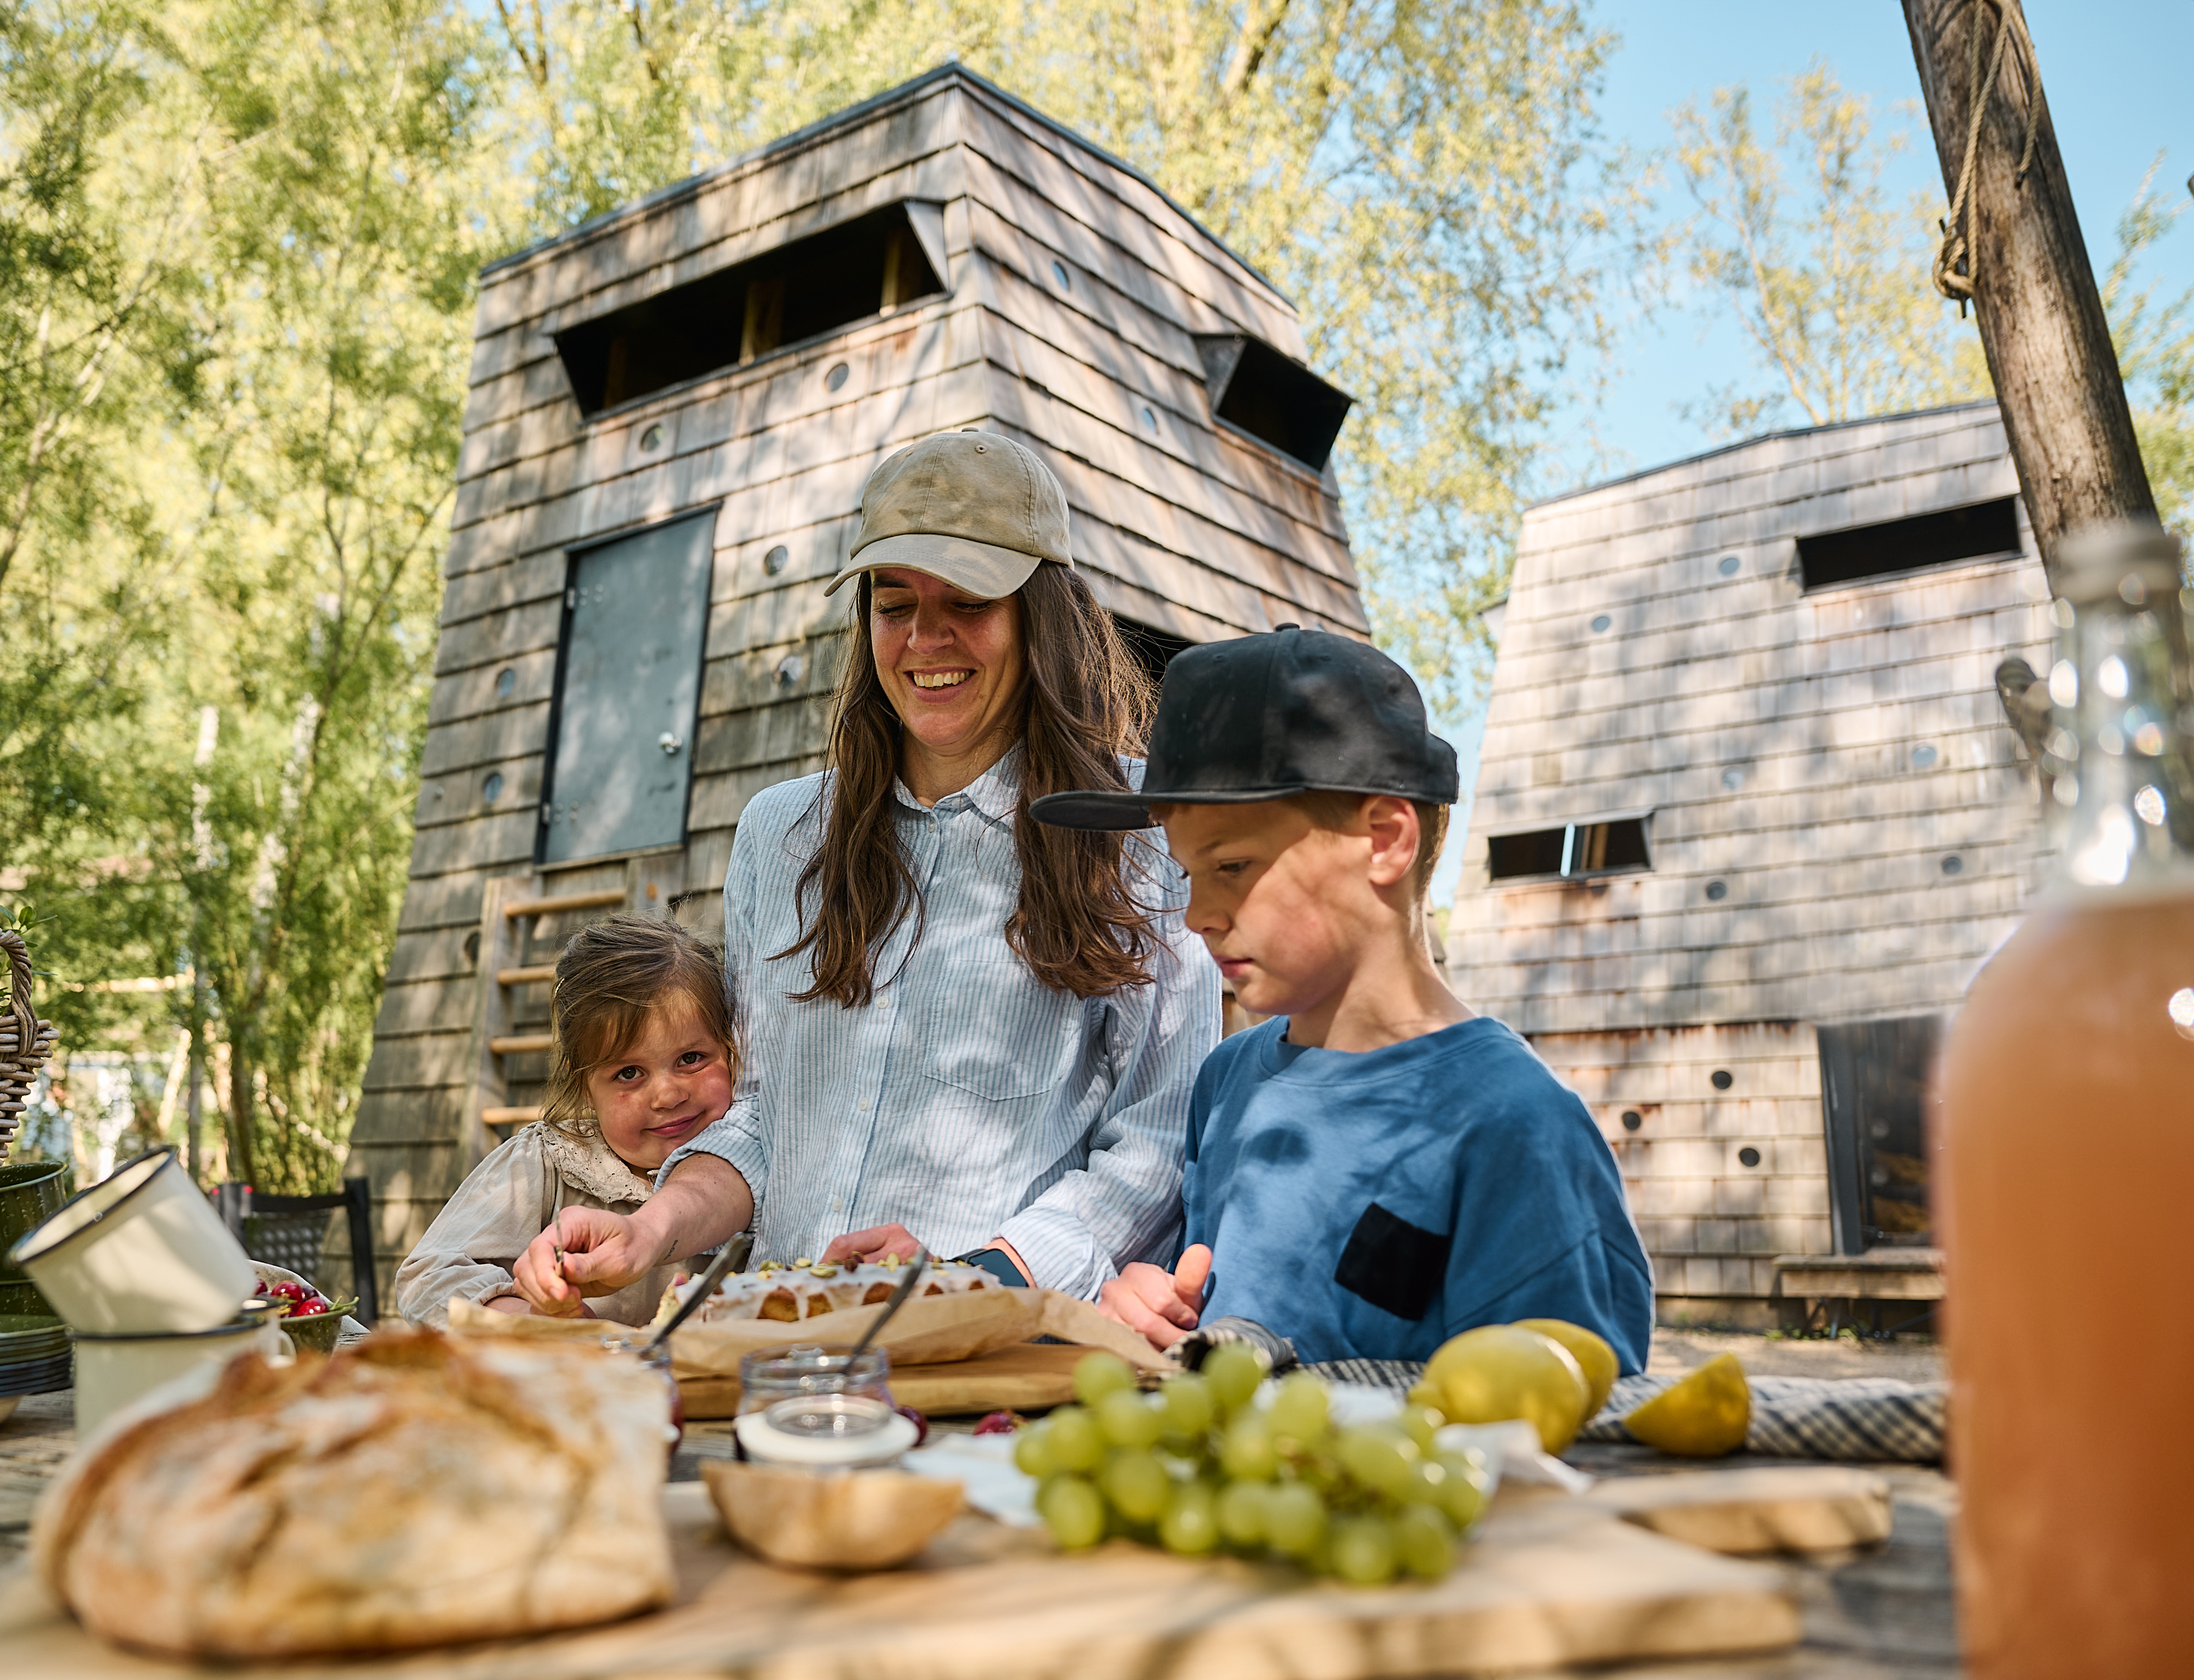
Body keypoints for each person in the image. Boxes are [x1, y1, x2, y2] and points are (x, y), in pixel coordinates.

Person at [514, 430, 1218, 1314]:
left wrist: (973, 1273)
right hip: (780, 1345)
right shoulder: (780, 834)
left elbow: (1157, 1145)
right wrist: (654, 1225)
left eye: (966, 599)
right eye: (893, 604)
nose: (926, 637)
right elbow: (759, 1119)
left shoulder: (1139, 831)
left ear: (1043, 615)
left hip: (999, 1360)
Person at [1033, 627, 1652, 1372]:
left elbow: (1578, 1419)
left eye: (1231, 865)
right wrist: (1148, 1304)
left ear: (1386, 840)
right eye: (1188, 873)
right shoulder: (1226, 1083)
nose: (1196, 914)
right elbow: (1203, 1316)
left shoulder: (1513, 1125)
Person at [393, 913, 734, 1327]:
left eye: (691, 1059)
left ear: (732, 1046)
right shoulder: (550, 1162)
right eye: (628, 1073)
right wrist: (536, 1322)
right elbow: (425, 1279)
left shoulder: (760, 1157)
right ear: (585, 1085)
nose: (667, 1095)